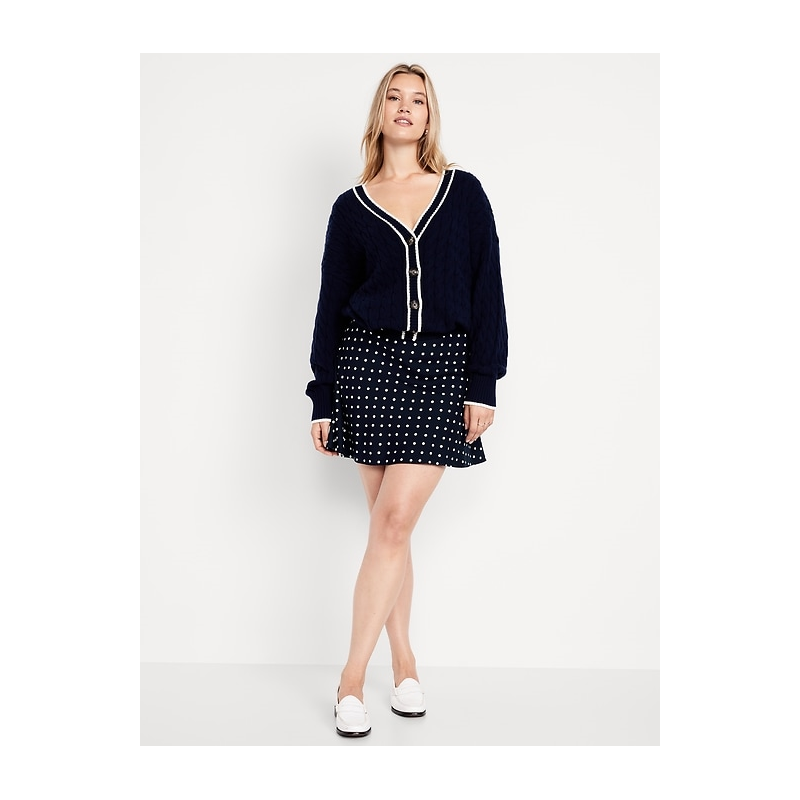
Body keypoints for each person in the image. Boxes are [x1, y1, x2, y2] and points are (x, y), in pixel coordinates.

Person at [305, 63, 508, 737]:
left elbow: (487, 286)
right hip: (366, 368)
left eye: (417, 100)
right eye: (393, 96)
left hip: (442, 367)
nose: (404, 107)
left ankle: (350, 679)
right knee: (388, 531)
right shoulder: (351, 208)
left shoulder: (463, 192)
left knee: (393, 523)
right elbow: (331, 304)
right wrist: (323, 395)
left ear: (428, 117)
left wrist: (484, 381)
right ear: (379, 112)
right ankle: (405, 664)